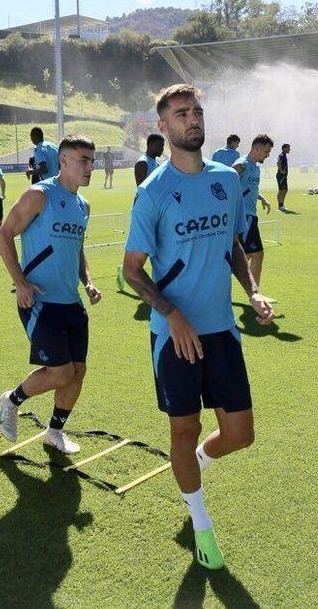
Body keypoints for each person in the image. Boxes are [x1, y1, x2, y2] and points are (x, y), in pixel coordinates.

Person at [122, 84, 273, 571]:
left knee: (241, 434)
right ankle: (200, 523)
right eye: (181, 113)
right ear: (162, 127)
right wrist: (172, 313)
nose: (192, 119)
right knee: (183, 431)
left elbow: (231, 244)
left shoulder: (226, 179)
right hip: (176, 337)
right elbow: (131, 270)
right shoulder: (153, 192)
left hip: (222, 331)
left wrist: (250, 289)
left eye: (197, 111)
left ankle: (196, 470)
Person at [0, 135, 103, 454]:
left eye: (93, 161)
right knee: (61, 372)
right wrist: (21, 282)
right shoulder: (39, 195)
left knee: (77, 372)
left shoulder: (83, 205)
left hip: (72, 302)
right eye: (84, 160)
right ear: (64, 160)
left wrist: (88, 282)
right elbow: (4, 234)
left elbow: (77, 248)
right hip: (39, 302)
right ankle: (11, 400)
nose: (90, 167)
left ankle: (54, 433)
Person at [232, 135, 274, 292]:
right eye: (266, 151)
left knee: (245, 257)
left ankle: (252, 292)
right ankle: (255, 293)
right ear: (256, 148)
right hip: (244, 217)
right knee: (257, 255)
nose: (268, 154)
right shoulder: (242, 164)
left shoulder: (255, 167)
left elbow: (249, 188)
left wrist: (261, 198)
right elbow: (226, 183)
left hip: (250, 216)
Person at [275, 143, 291, 210]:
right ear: (284, 148)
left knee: (285, 190)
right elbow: (278, 163)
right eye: (288, 148)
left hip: (283, 176)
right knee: (281, 190)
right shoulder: (282, 155)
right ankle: (280, 205)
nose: (289, 149)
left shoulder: (284, 155)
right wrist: (281, 171)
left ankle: (281, 205)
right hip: (281, 176)